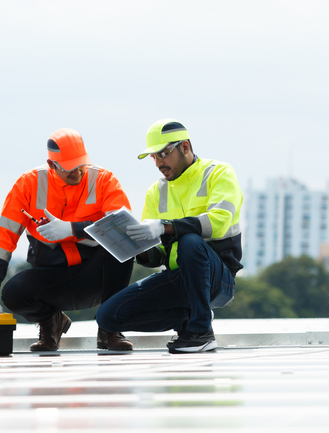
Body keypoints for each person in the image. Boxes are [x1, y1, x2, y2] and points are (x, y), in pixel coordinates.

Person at [0, 128, 135, 351]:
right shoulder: (28, 184)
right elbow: (4, 237)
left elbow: (123, 227)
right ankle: (52, 323)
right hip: (53, 277)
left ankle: (110, 330)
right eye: (70, 169)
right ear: (52, 165)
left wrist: (73, 229)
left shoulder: (103, 180)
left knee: (121, 244)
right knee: (13, 294)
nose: (78, 173)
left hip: (95, 276)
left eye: (81, 165)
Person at [96, 119, 242, 354]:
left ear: (184, 147)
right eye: (154, 157)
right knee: (108, 316)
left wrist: (165, 227)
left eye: (163, 153)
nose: (159, 162)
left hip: (219, 278)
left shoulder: (219, 173)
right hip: (179, 277)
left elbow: (219, 222)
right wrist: (139, 248)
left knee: (189, 241)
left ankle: (201, 331)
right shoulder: (156, 191)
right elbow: (159, 255)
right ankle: (187, 319)